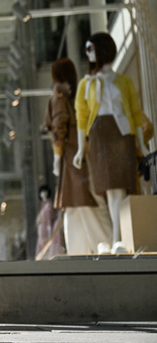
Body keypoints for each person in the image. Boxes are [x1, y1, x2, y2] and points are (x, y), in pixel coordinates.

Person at [73, 32, 148, 254]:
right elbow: (82, 116)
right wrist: (80, 147)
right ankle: (116, 240)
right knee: (109, 190)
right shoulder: (86, 84)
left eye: (91, 49)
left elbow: (135, 113)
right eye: (87, 50)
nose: (88, 54)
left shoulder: (124, 81)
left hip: (123, 136)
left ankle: (118, 240)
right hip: (100, 137)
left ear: (103, 49)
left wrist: (141, 145)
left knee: (122, 189)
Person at [43, 58, 110, 255]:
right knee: (76, 206)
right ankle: (82, 252)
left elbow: (58, 128)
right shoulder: (73, 96)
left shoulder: (59, 96)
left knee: (84, 203)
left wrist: (57, 156)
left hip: (72, 159)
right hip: (78, 156)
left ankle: (104, 246)